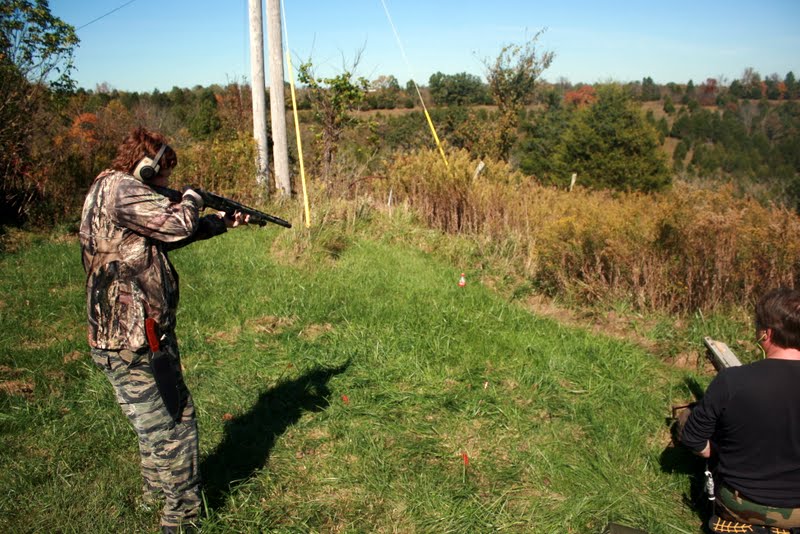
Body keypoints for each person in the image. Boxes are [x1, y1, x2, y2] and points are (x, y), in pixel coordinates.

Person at [79, 127, 248, 533]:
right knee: (176, 424)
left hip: (119, 334)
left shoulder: (106, 187)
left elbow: (157, 238)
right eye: (164, 175)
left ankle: (154, 495)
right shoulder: (123, 189)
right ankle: (181, 519)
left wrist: (219, 223)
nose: (167, 183)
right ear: (144, 167)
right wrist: (193, 197)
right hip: (136, 337)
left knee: (151, 424)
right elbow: (175, 225)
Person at [681, 287, 800, 529]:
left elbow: (693, 439)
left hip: (743, 506)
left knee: (688, 417)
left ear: (766, 334)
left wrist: (716, 451)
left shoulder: (733, 380)